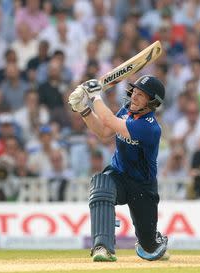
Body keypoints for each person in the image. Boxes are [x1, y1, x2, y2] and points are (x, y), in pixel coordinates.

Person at [67, 75, 169, 262]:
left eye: (141, 95)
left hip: (142, 187)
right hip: (119, 174)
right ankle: (102, 247)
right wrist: (83, 109)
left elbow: (108, 121)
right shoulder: (126, 111)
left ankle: (153, 240)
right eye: (135, 92)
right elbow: (104, 132)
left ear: (152, 103)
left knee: (148, 249)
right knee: (101, 185)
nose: (135, 97)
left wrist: (95, 96)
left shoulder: (150, 128)